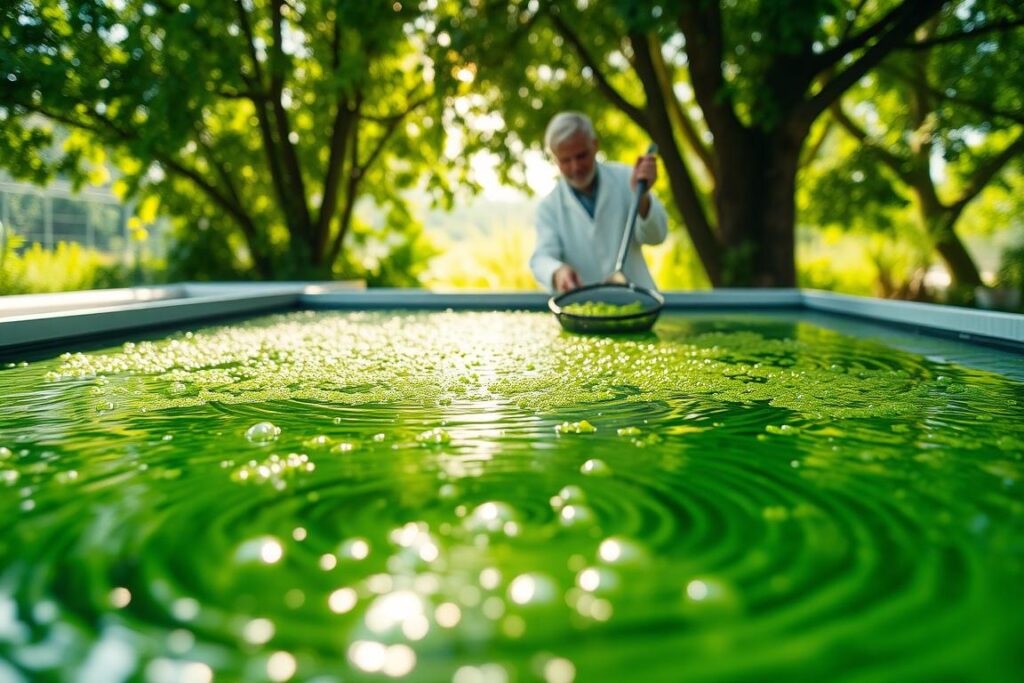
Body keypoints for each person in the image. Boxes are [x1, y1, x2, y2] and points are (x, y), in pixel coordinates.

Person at [530, 111, 668, 293]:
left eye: (581, 156)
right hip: (584, 311)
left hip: (638, 304)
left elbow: (656, 236)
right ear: (555, 159)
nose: (575, 167)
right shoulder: (548, 208)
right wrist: (557, 272)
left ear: (594, 145)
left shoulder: (628, 179)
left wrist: (641, 196)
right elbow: (541, 259)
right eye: (565, 160)